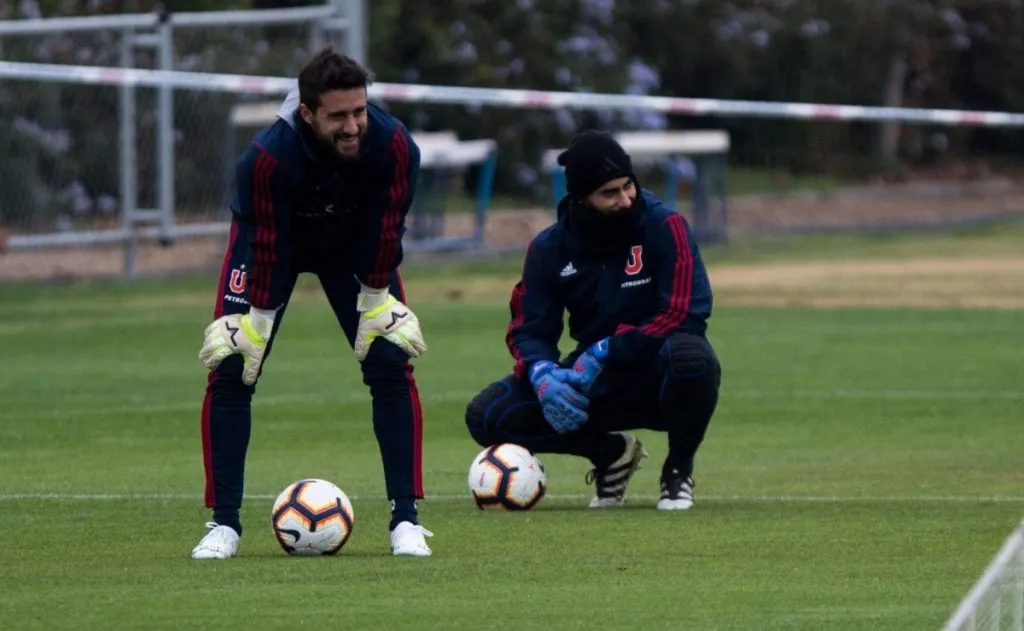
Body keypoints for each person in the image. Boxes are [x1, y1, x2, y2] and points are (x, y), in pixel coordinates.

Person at [192, 47, 433, 559]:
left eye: (359, 112)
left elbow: (387, 228)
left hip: (351, 245)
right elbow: (267, 243)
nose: (352, 126)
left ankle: (406, 521)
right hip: (273, 246)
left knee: (390, 360)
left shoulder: (394, 146)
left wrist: (375, 299)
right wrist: (257, 321)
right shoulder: (266, 158)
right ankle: (224, 525)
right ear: (307, 113)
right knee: (233, 367)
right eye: (338, 116)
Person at [465, 130, 721, 510]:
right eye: (610, 193)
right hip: (594, 383)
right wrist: (541, 372)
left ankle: (677, 470)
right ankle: (612, 455)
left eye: (628, 185)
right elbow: (529, 328)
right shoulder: (548, 249)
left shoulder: (665, 226)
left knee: (693, 358)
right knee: (486, 416)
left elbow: (683, 313)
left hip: (659, 373)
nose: (626, 198)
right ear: (581, 197)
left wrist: (608, 350)